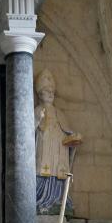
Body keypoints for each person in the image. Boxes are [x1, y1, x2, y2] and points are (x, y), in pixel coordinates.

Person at [34, 69, 82, 214]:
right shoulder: (37, 110)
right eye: (47, 91)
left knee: (58, 176)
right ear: (40, 94)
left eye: (52, 92)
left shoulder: (60, 113)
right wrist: (38, 119)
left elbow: (66, 131)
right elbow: (29, 131)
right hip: (44, 150)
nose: (50, 94)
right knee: (43, 174)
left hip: (58, 152)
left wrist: (73, 137)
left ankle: (57, 202)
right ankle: (41, 202)